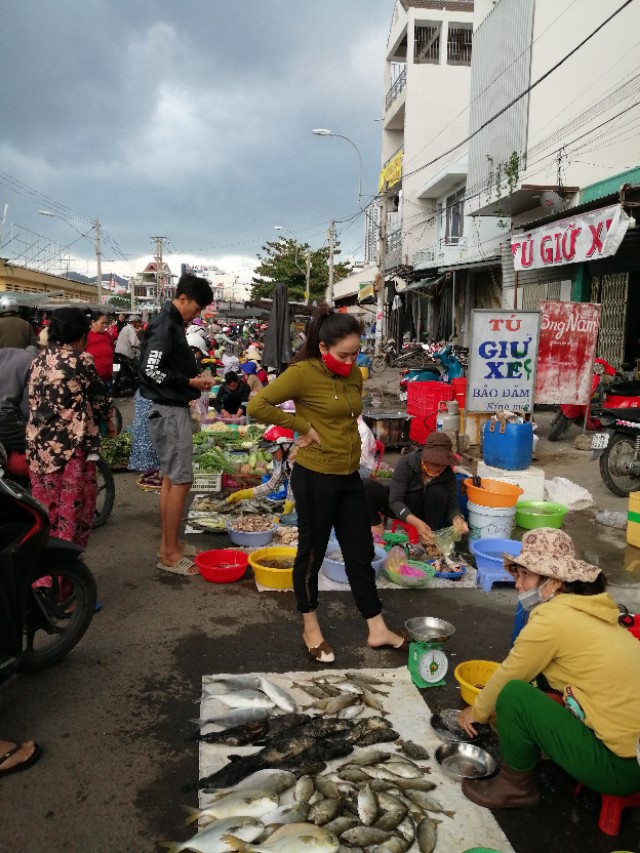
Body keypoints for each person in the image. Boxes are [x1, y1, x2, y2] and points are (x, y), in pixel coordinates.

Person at [248, 305, 409, 663]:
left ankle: (377, 627)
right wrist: (302, 428)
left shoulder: (354, 375)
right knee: (312, 554)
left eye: (356, 353)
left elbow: (349, 418)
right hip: (315, 478)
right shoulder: (302, 373)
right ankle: (310, 627)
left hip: (349, 477)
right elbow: (258, 405)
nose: (351, 361)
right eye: (343, 354)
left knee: (360, 553)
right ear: (323, 348)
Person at [457, 528, 640, 810]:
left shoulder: (551, 621)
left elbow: (509, 675)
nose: (517, 583)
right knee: (536, 684)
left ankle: (515, 788)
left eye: (526, 575)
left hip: (622, 768)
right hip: (632, 751)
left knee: (514, 695)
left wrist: (477, 710)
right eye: (517, 574)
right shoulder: (591, 609)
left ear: (553, 582)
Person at [139, 273, 214, 575]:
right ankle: (169, 553)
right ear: (183, 298)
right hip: (169, 410)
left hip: (171, 408)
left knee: (173, 477)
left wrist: (190, 383)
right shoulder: (165, 325)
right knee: (180, 479)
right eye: (196, 308)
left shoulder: (170, 324)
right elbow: (150, 370)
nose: (196, 314)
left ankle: (171, 545)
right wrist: (188, 381)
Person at [26, 308, 115, 551]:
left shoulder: (38, 360)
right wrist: (111, 423)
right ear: (82, 336)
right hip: (68, 452)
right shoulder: (79, 360)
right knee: (72, 518)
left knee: (46, 516)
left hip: (37, 450)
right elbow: (100, 400)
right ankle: (63, 580)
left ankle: (42, 579)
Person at [362, 432, 468, 544]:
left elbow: (452, 506)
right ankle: (376, 528)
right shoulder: (407, 463)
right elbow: (395, 501)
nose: (440, 468)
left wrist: (457, 518)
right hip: (399, 505)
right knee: (365, 486)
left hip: (425, 511)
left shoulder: (448, 475)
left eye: (444, 464)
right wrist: (416, 523)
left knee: (438, 492)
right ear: (425, 458)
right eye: (436, 464)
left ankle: (428, 536)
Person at [226, 426, 296, 510]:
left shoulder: (296, 462)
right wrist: (244, 494)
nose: (272, 453)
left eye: (274, 450)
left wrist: (287, 512)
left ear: (285, 447)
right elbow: (271, 485)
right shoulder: (280, 461)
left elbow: (294, 491)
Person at [0, 346, 37, 456]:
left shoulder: (7, 352)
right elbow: (26, 410)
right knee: (41, 441)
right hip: (3, 419)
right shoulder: (35, 364)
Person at [84, 311, 115, 387]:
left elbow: (112, 350)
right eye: (102, 323)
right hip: (93, 379)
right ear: (93, 322)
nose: (105, 325)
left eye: (106, 323)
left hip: (108, 377)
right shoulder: (86, 337)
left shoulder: (107, 335)